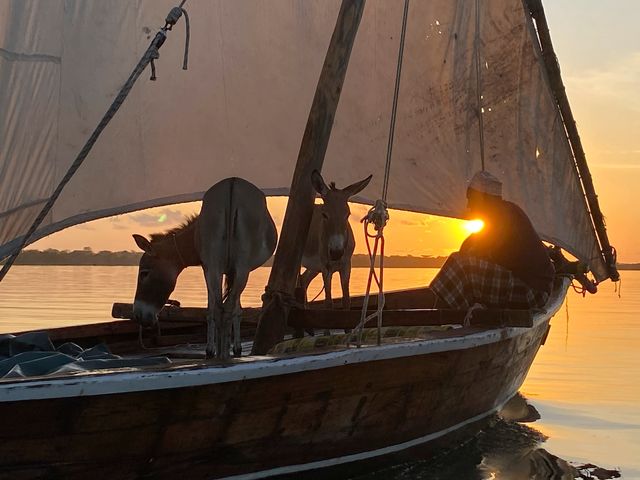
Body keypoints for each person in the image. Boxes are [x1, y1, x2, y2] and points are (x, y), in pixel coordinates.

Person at [430, 171, 554, 310]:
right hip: (529, 288)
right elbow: (472, 244)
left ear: (484, 198)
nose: (468, 206)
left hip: (531, 293)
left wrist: (466, 253)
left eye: (471, 198)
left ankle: (439, 316)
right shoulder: (503, 214)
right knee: (460, 264)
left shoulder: (503, 216)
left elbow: (481, 251)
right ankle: (447, 313)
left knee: (460, 264)